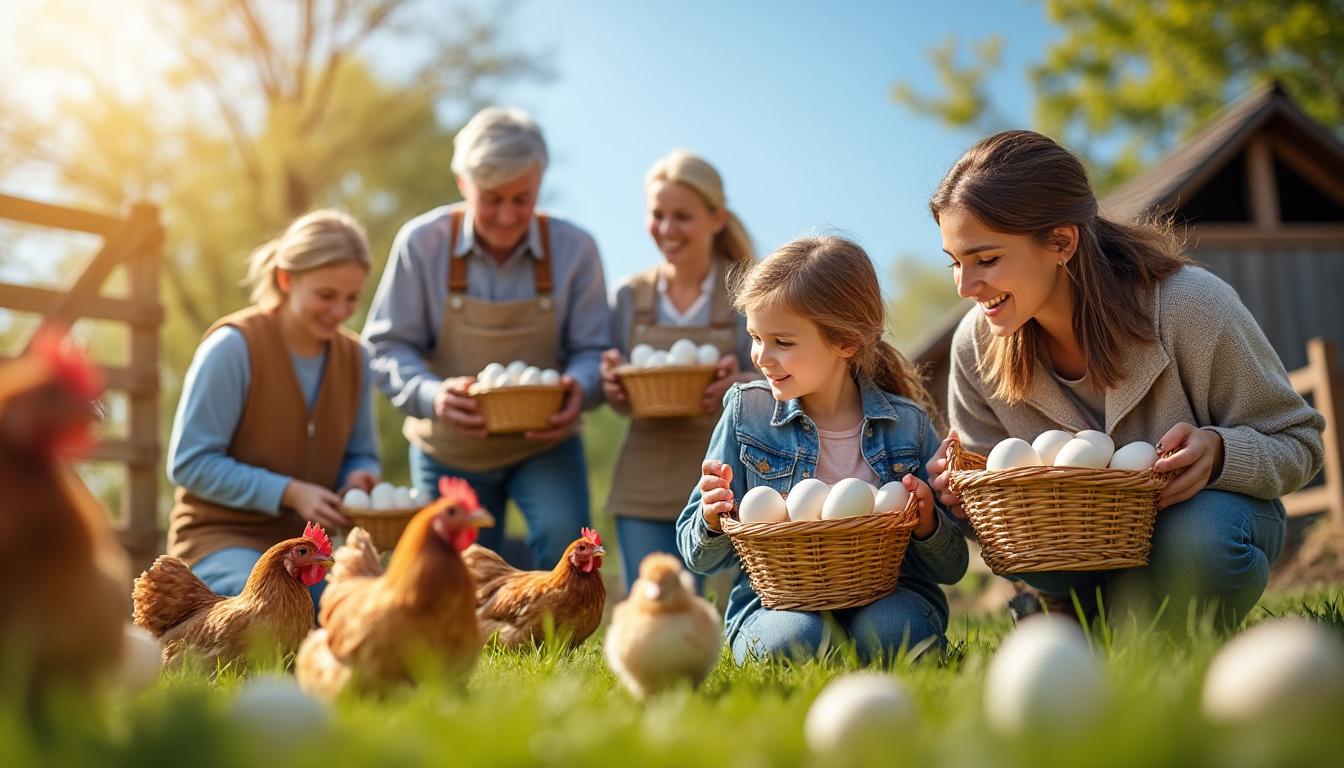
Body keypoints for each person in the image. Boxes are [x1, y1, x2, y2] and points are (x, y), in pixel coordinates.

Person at [925, 130, 1325, 628]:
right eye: (955, 263)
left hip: (1202, 528)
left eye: (986, 259)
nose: (965, 286)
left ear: (1061, 241)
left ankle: (1168, 624)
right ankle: (1092, 613)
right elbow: (1000, 520)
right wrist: (961, 496)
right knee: (1042, 564)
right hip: (1076, 557)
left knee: (1198, 543)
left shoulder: (1191, 307)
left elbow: (1300, 443)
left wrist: (1221, 453)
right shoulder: (976, 345)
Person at [676, 236, 969, 664]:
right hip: (776, 604)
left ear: (846, 341)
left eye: (783, 342)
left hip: (890, 594)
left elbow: (952, 567)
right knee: (791, 642)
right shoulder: (747, 413)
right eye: (755, 337)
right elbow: (696, 556)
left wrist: (927, 525)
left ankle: (861, 642)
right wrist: (711, 519)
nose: (761, 356)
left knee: (896, 635)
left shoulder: (907, 424)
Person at [362, 107, 612, 569]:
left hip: (545, 445)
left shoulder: (576, 249)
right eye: (491, 198)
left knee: (566, 549)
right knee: (449, 571)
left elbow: (594, 350)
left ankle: (552, 644)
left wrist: (581, 387)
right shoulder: (422, 244)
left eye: (523, 198)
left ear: (540, 183)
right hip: (449, 447)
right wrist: (432, 393)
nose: (507, 215)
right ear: (463, 184)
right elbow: (385, 347)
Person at [167, 210, 379, 605]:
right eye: (326, 295)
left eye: (352, 298)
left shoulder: (357, 359)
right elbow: (190, 463)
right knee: (267, 614)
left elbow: (362, 451)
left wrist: (359, 479)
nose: (340, 311)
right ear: (286, 279)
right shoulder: (232, 349)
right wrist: (288, 492)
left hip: (313, 551)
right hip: (223, 539)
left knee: (358, 613)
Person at [601, 150, 757, 592]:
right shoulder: (630, 297)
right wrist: (612, 382)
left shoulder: (748, 290)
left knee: (720, 618)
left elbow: (788, 377)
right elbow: (614, 386)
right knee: (650, 605)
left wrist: (743, 382)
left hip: (727, 477)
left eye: (682, 216)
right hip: (643, 474)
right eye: (657, 215)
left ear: (717, 218)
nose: (667, 230)